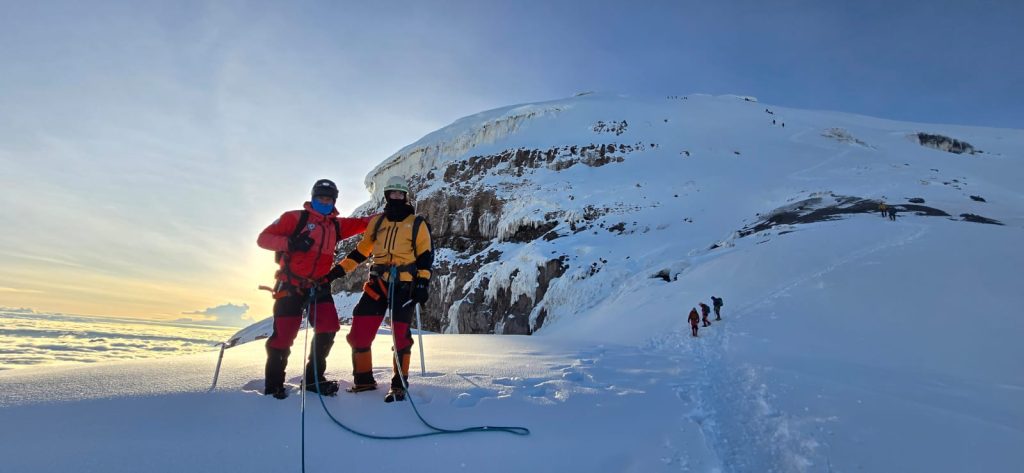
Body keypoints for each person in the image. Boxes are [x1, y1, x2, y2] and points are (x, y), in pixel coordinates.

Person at [256, 179, 373, 400]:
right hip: (290, 286)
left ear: (334, 201)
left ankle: (313, 379)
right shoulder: (295, 218)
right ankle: (274, 386)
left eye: (329, 199)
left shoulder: (335, 226)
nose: (325, 202)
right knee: (283, 337)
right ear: (313, 198)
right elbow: (264, 239)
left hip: (318, 286)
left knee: (328, 328)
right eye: (321, 198)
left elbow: (363, 223)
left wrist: (390, 214)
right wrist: (290, 244)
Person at [336, 176, 433, 402]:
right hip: (377, 284)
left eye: (400, 194)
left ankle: (399, 384)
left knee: (400, 335)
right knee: (359, 333)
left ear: (406, 196)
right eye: (393, 194)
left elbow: (426, 257)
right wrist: (338, 271)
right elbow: (361, 252)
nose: (396, 197)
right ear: (387, 195)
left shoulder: (417, 223)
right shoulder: (377, 223)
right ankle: (364, 380)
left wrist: (422, 283)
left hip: (405, 285)